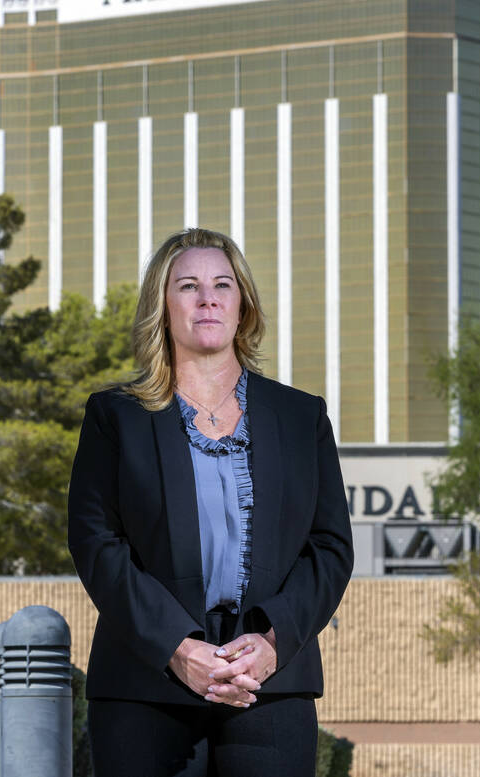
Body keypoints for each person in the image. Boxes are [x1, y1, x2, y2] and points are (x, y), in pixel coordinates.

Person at [68, 228, 354, 777]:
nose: (208, 298)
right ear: (163, 305)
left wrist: (272, 643)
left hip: (267, 682)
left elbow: (331, 548)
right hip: (143, 682)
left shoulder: (301, 417)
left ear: (242, 305)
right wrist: (177, 646)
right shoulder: (116, 417)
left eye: (223, 284)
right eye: (189, 286)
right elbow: (96, 543)